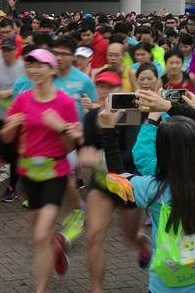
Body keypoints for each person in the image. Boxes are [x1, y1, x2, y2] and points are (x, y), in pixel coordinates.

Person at [99, 90, 195, 293]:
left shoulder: (152, 188)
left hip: (167, 287)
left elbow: (118, 178)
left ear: (161, 151)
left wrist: (109, 129)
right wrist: (168, 106)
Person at [0, 48, 78, 291]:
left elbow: (72, 143)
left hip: (55, 171)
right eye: (30, 65)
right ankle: (56, 245)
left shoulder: (65, 102)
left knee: (40, 235)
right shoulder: (22, 99)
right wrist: (10, 127)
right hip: (29, 173)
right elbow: (5, 136)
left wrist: (61, 127)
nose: (34, 70)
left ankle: (40, 289)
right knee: (41, 234)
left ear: (52, 69)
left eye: (40, 65)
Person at [74, 68, 148, 293]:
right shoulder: (90, 116)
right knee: (93, 236)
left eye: (110, 87)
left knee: (129, 235)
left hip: (128, 184)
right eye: (101, 86)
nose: (105, 91)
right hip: (102, 184)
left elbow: (131, 155)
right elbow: (86, 147)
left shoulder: (131, 114)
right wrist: (78, 146)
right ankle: (96, 289)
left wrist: (99, 158)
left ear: (119, 89)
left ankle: (141, 242)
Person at [0, 36, 26, 203]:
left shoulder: (24, 67)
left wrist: (10, 93)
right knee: (4, 152)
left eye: (9, 50)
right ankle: (19, 171)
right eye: (3, 50)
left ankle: (12, 186)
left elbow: (28, 88)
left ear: (15, 51)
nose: (5, 53)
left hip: (17, 117)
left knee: (14, 152)